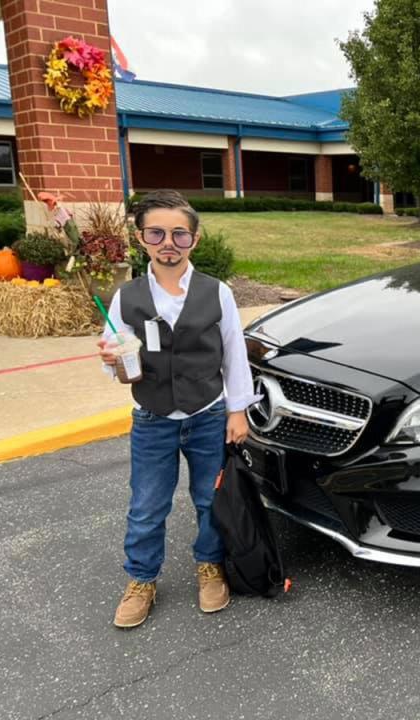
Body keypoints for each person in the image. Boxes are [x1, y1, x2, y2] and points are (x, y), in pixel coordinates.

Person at [98, 189, 258, 629]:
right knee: (148, 504)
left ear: (195, 240)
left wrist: (237, 410)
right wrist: (113, 361)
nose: (168, 242)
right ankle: (141, 579)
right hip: (152, 417)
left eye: (179, 234)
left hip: (207, 413)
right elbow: (119, 361)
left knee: (210, 499)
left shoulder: (217, 292)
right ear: (141, 238)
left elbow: (233, 353)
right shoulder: (126, 298)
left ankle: (210, 566)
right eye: (157, 233)